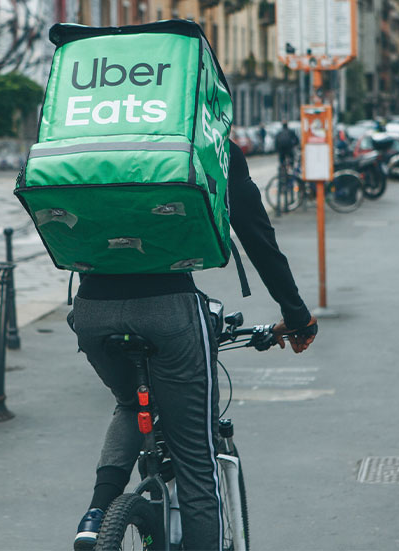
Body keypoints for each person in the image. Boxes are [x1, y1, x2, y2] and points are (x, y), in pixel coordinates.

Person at [70, 139, 318, 551]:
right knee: (196, 464)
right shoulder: (210, 146)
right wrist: (295, 314)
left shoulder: (95, 139)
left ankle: (96, 516)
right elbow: (257, 235)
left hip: (92, 310)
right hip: (169, 309)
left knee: (132, 404)